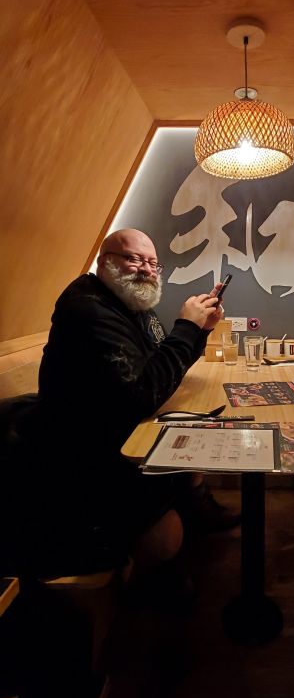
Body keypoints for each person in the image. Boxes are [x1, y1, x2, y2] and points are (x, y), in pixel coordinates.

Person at [14, 228, 239, 580]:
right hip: (79, 454)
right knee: (168, 535)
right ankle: (151, 582)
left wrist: (199, 331)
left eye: (152, 262)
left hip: (115, 431)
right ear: (104, 262)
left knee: (196, 434)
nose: (146, 269)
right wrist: (184, 326)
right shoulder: (88, 309)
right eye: (134, 259)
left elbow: (161, 369)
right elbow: (141, 397)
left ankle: (197, 514)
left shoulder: (132, 305)